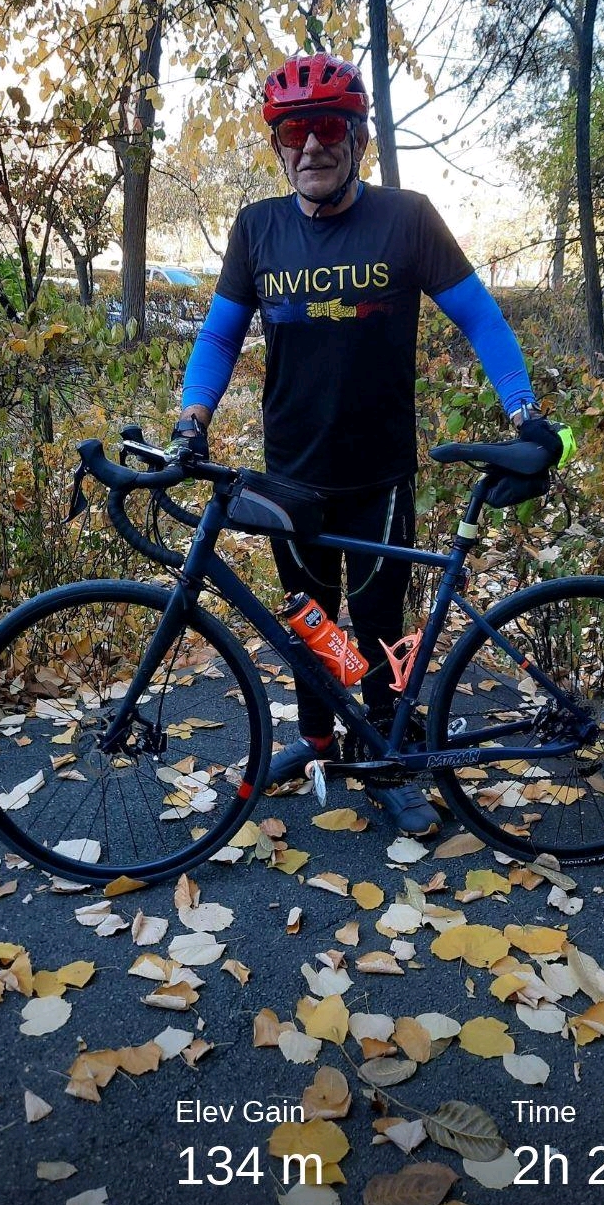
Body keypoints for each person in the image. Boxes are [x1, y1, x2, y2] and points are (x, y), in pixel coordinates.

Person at [172, 51, 565, 837]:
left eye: (327, 127)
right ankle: (320, 742)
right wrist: (191, 420)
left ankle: (385, 758)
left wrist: (525, 413)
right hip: (292, 471)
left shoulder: (405, 218)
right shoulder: (258, 228)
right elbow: (219, 336)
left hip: (379, 470)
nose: (311, 146)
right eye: (293, 132)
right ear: (277, 146)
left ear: (357, 140)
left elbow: (481, 318)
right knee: (308, 619)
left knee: (381, 621)